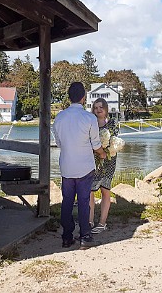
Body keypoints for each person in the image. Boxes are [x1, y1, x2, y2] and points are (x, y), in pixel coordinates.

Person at [53, 82, 107, 249]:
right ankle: (85, 236)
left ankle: (67, 237)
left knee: (67, 201)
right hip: (85, 166)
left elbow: (59, 143)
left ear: (69, 97)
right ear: (84, 98)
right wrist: (103, 154)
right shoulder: (89, 118)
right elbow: (96, 144)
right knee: (84, 201)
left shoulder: (59, 117)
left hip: (67, 166)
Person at [89, 98, 118, 234]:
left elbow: (115, 140)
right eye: (95, 108)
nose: (98, 110)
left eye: (101, 107)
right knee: (90, 190)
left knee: (105, 190)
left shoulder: (112, 124)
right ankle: (89, 220)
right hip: (93, 160)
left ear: (106, 109)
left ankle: (102, 223)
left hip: (109, 160)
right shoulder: (91, 123)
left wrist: (105, 151)